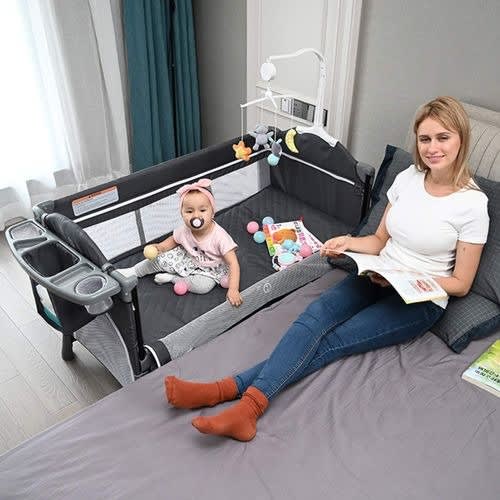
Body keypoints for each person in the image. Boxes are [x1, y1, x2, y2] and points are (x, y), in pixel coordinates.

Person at [164, 96, 489, 441]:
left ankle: (237, 401)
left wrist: (406, 279)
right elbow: (378, 241)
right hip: (378, 273)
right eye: (425, 139)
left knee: (331, 341)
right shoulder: (408, 178)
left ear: (461, 139)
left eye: (443, 138)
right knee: (313, 318)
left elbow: (461, 283)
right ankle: (223, 395)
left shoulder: (472, 204)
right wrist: (347, 242)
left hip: (418, 300)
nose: (432, 148)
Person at [118, 178, 242, 307]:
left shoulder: (220, 237)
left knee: (203, 286)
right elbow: (173, 239)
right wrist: (161, 247)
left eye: (202, 210)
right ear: (182, 214)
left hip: (211, 268)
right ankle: (134, 271)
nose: (196, 216)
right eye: (189, 211)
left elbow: (233, 263)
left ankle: (173, 278)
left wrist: (233, 289)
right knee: (158, 260)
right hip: (188, 257)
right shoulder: (185, 230)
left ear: (212, 212)